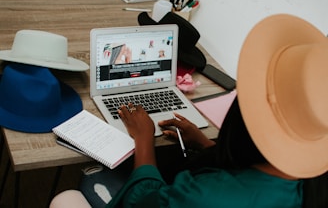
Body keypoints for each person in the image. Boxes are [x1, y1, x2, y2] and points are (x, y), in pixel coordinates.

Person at [50, 14, 328, 207]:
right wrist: (207, 145)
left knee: (73, 192)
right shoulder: (310, 183)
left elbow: (143, 200)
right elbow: (255, 174)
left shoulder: (207, 196)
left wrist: (143, 137)